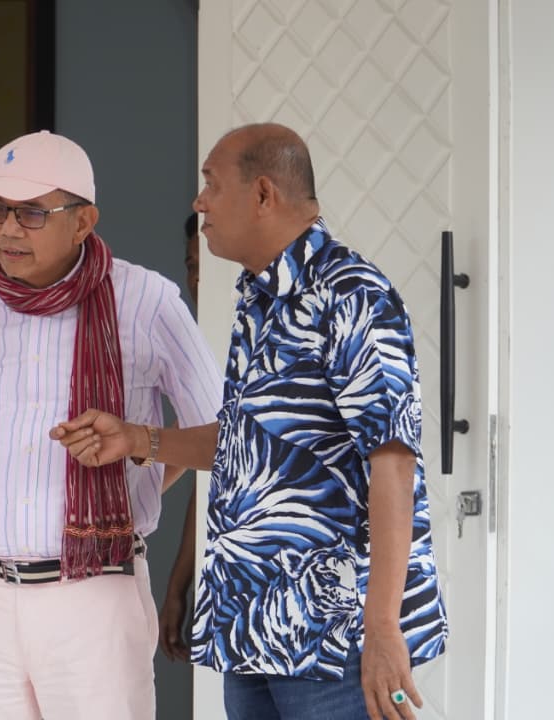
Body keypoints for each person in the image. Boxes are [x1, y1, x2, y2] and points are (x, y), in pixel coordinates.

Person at [53, 123, 448, 720]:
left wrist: (384, 629)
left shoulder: (352, 296)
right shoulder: (258, 299)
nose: (199, 202)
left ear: (264, 194)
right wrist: (138, 439)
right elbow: (251, 442)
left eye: (212, 184)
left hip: (336, 642)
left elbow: (392, 462)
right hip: (255, 630)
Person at [0, 130, 221, 719]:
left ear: (83, 221)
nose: (8, 229)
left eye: (31, 213)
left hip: (96, 593)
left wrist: (139, 464)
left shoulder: (146, 300)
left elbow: (219, 436)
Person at [157, 212, 203, 665]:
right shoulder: (199, 344)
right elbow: (209, 480)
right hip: (228, 587)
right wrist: (177, 585)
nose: (197, 279)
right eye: (191, 266)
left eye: (206, 267)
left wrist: (139, 441)